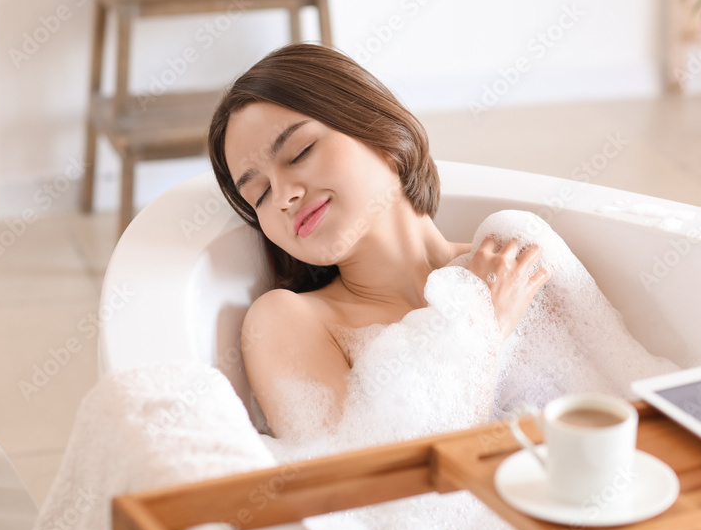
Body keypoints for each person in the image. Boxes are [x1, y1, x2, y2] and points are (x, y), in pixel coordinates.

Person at [207, 42, 553, 437]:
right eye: (261, 194)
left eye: (300, 151)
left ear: (379, 132)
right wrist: (483, 325)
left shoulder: (514, 263)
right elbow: (362, 473)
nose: (283, 196)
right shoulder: (286, 322)